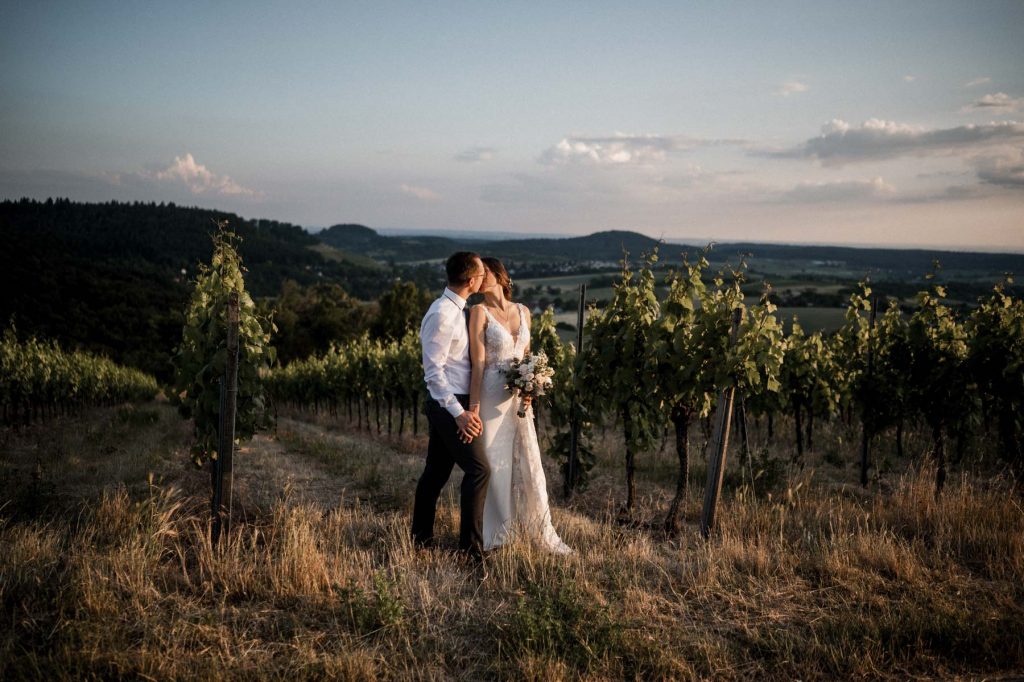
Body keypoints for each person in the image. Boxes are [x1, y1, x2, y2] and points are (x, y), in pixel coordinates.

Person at [467, 257, 572, 555]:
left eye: (483, 272)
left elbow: (526, 359)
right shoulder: (478, 312)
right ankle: (497, 533)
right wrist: (473, 407)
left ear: (499, 275)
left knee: (524, 461)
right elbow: (478, 364)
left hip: (518, 402)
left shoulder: (525, 311)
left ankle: (532, 527)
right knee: (495, 462)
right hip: (490, 398)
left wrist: (531, 387)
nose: (478, 277)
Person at [411, 252, 490, 561]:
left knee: (435, 473)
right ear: (471, 281)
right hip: (448, 403)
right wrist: (459, 414)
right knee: (479, 469)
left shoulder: (459, 310)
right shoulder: (442, 314)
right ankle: (471, 551)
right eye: (481, 274)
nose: (484, 278)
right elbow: (433, 374)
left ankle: (421, 540)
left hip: (454, 402)